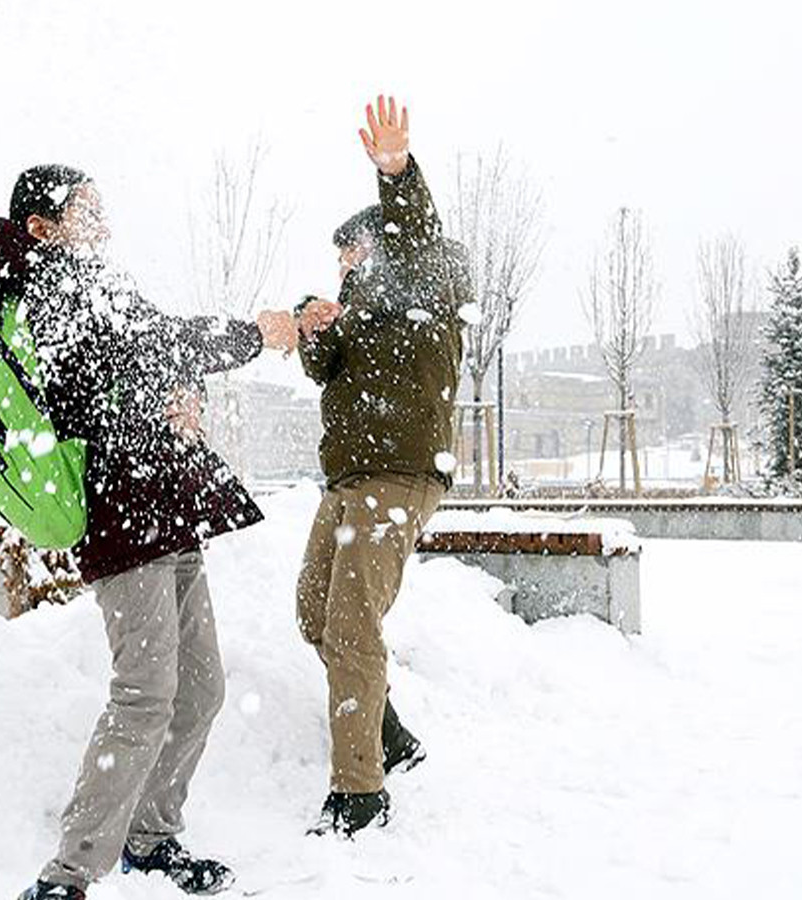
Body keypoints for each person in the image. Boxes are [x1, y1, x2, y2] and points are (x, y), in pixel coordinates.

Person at [0, 165, 299, 900]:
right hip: (119, 515)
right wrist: (252, 336)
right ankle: (68, 875)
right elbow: (153, 343)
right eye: (85, 206)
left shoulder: (91, 280)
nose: (103, 216)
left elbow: (141, 363)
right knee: (145, 693)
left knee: (201, 688)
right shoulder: (48, 284)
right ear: (43, 225)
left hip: (164, 507)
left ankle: (151, 838)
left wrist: (184, 394)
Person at [293, 95, 467, 837]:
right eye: (339, 262)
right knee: (314, 613)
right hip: (350, 480)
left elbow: (418, 235)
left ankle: (359, 793)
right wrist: (311, 324)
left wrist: (395, 171)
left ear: (383, 245)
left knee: (354, 626)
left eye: (352, 254)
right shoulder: (358, 313)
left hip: (398, 477)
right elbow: (321, 368)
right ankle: (389, 734)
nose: (345, 267)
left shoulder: (429, 281)